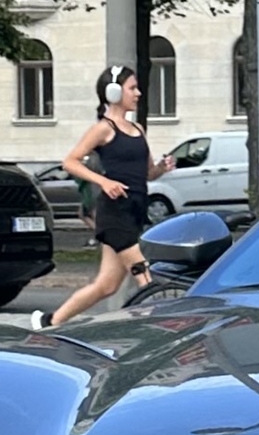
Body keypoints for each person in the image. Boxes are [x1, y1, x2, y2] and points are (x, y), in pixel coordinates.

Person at [46, 67, 171, 326]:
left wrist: (162, 168)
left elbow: (147, 173)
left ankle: (50, 322)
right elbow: (70, 162)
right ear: (114, 93)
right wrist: (104, 181)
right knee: (145, 275)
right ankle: (161, 325)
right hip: (114, 212)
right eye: (132, 88)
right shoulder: (104, 129)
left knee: (107, 285)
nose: (138, 93)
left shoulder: (138, 128)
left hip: (135, 210)